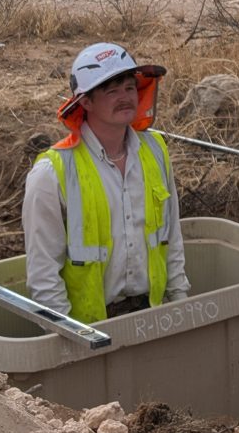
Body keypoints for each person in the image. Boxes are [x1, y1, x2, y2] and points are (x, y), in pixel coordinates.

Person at [23, 42, 189, 324]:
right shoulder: (52, 173)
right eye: (111, 90)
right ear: (85, 102)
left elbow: (172, 239)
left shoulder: (156, 151)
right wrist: (69, 337)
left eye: (128, 87)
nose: (124, 97)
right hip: (89, 330)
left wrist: (181, 306)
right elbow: (43, 275)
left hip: (154, 316)